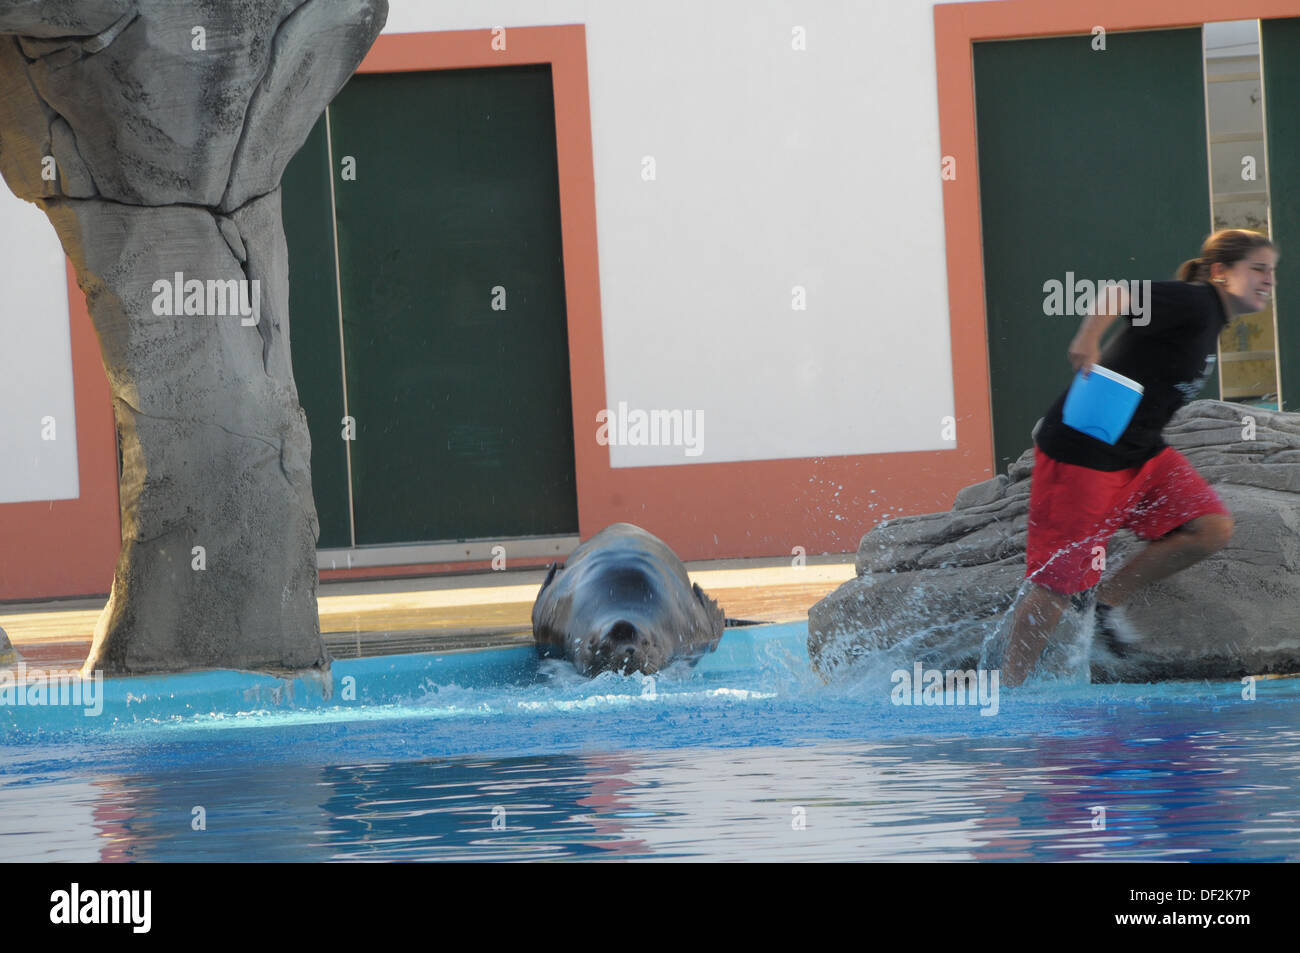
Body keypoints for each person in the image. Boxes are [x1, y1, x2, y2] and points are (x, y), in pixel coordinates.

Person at [1001, 229, 1278, 687]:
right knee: (1056, 586)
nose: (1269, 279)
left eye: (1272, 270)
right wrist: (1089, 339)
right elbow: (1118, 293)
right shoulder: (1194, 301)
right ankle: (1009, 690)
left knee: (1210, 528)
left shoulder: (1212, 320)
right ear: (1220, 272)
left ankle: (1107, 601)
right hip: (1083, 455)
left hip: (1142, 455)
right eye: (1258, 268)